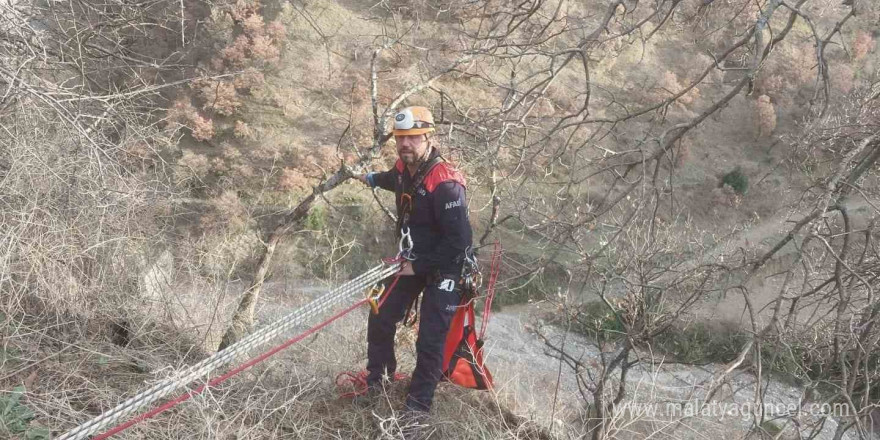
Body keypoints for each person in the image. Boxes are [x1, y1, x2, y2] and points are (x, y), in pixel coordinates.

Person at [355, 105, 473, 414]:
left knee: (430, 339)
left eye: (413, 137)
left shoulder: (445, 183)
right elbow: (393, 178)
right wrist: (369, 178)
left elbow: (460, 242)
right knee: (380, 313)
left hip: (445, 266)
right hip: (413, 260)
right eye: (400, 138)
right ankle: (377, 385)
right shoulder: (405, 168)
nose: (405, 144)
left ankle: (416, 409)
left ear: (428, 137)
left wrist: (417, 266)